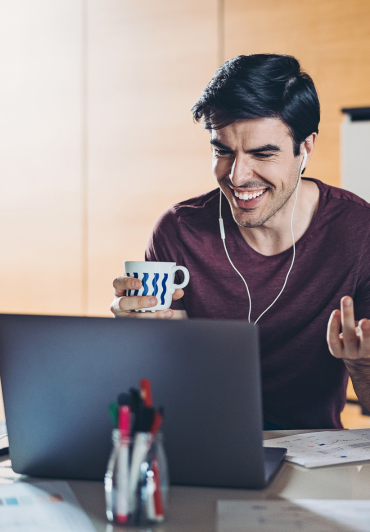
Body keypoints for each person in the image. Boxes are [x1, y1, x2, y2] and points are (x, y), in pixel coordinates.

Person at [111, 54, 370, 429]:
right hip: (202, 444)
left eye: (262, 154)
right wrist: (138, 340)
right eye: (223, 151)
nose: (237, 175)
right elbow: (157, 391)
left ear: (306, 149)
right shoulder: (177, 230)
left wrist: (361, 363)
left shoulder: (358, 231)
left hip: (313, 451)